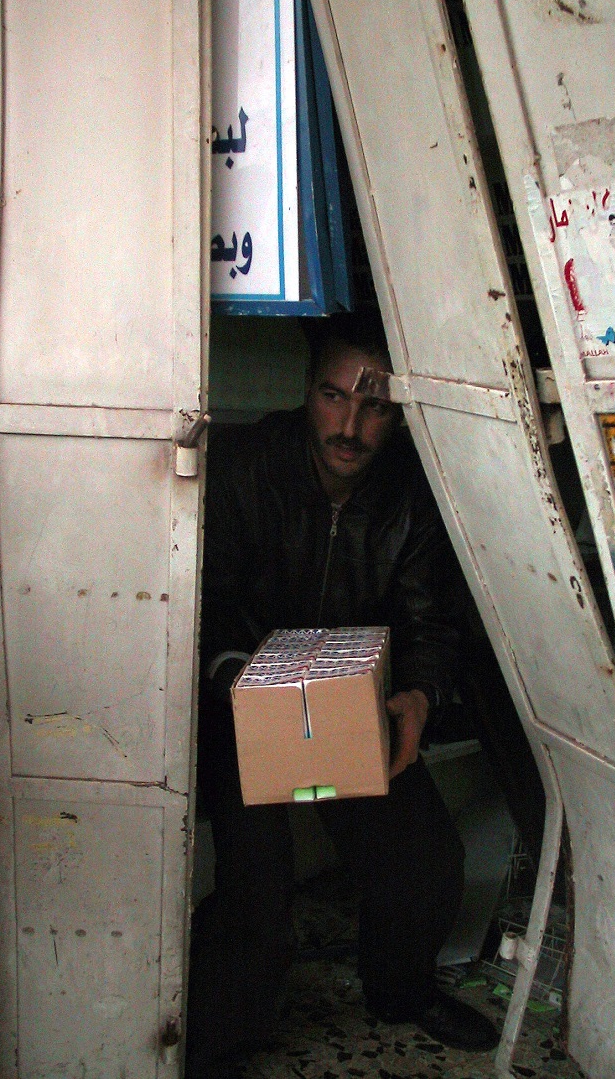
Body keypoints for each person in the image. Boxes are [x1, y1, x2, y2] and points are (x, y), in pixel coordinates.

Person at [186, 312, 499, 1077]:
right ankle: (221, 1041)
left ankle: (400, 993)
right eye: (333, 397)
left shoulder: (412, 492)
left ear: (399, 411)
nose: (350, 425)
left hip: (353, 713)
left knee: (426, 860)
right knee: (255, 891)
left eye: (375, 406)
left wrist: (418, 698)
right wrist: (245, 683)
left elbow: (432, 620)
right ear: (307, 390)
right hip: (245, 713)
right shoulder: (244, 462)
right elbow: (203, 599)